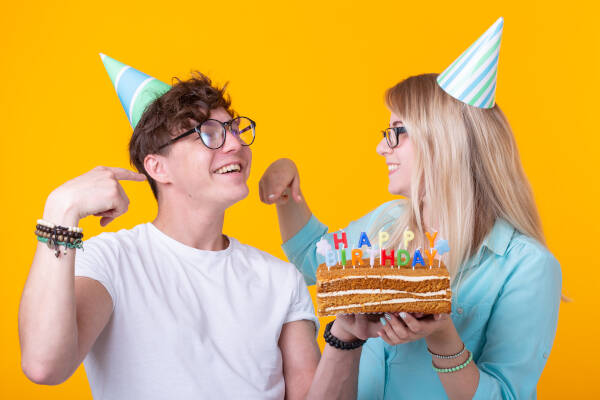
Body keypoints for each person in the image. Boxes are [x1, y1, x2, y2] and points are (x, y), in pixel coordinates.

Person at [260, 18, 561, 400]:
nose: (381, 148)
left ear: (443, 141)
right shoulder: (387, 222)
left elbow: (507, 395)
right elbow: (316, 260)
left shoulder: (526, 266)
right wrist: (286, 194)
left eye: (396, 132)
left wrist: (442, 335)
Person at [19, 56, 320, 400]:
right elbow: (44, 365)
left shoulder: (280, 279)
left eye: (235, 130)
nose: (236, 144)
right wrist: (61, 209)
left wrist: (348, 335)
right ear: (158, 168)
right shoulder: (110, 262)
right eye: (209, 134)